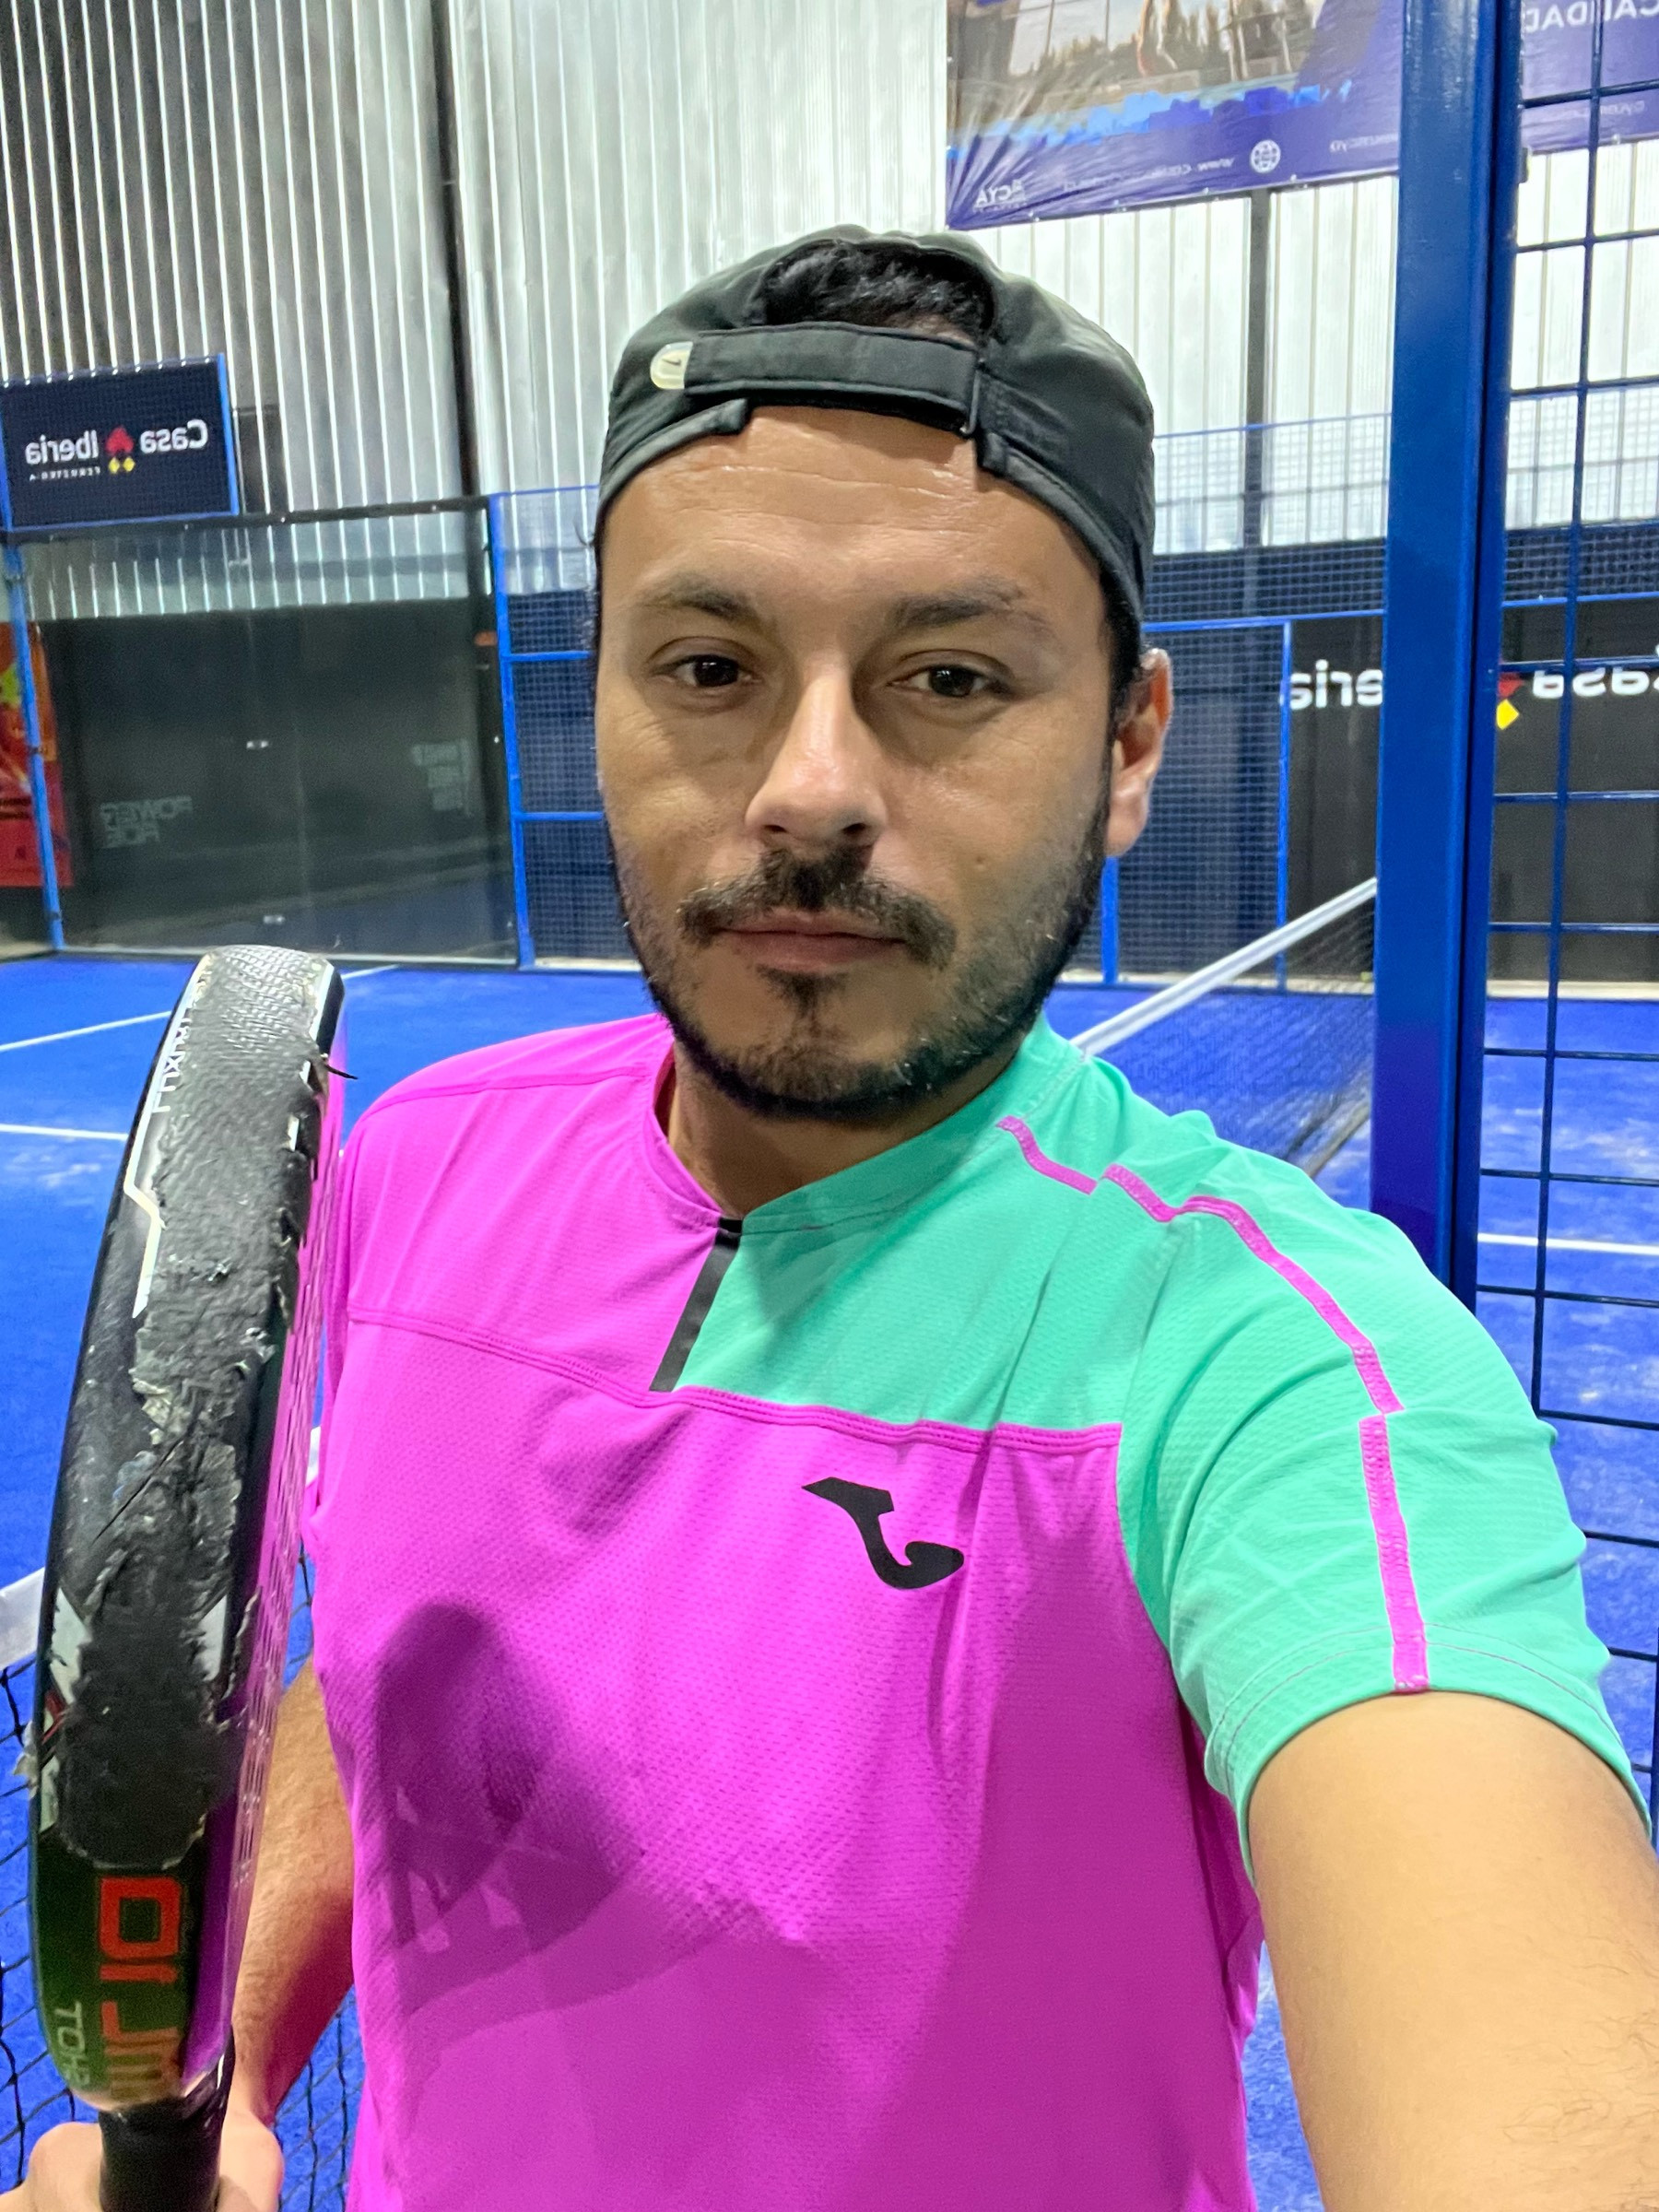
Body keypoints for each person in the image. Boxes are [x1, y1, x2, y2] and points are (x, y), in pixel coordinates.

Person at [15, 227, 1659, 2211]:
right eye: (709, 669)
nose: (808, 790)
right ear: (598, 702)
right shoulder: (418, 1167)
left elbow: (1540, 2109)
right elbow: (375, 1684)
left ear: (1131, 743)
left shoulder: (1283, 1365)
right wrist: (240, 2078)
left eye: (949, 679)